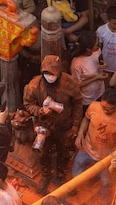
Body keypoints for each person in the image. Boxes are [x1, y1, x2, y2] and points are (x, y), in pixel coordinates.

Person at [23, 55, 83, 194]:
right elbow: (28, 103)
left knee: (65, 152)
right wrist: (39, 111)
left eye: (53, 74)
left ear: (59, 72)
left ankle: (61, 176)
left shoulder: (70, 83)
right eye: (47, 73)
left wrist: (75, 126)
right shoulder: (33, 85)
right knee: (43, 153)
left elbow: (78, 104)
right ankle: (46, 176)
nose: (50, 77)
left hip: (65, 126)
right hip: (44, 127)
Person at [72, 88, 116, 205]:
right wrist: (81, 133)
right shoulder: (93, 106)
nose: (104, 110)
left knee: (106, 182)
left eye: (109, 109)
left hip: (106, 157)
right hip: (87, 149)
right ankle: (79, 185)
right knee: (76, 173)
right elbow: (86, 119)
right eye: (103, 107)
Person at [70, 31, 107, 112]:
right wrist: (96, 78)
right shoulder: (77, 64)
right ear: (88, 49)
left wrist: (104, 66)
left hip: (100, 92)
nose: (99, 46)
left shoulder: (97, 51)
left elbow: (100, 63)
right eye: (96, 45)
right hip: (87, 99)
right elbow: (77, 84)